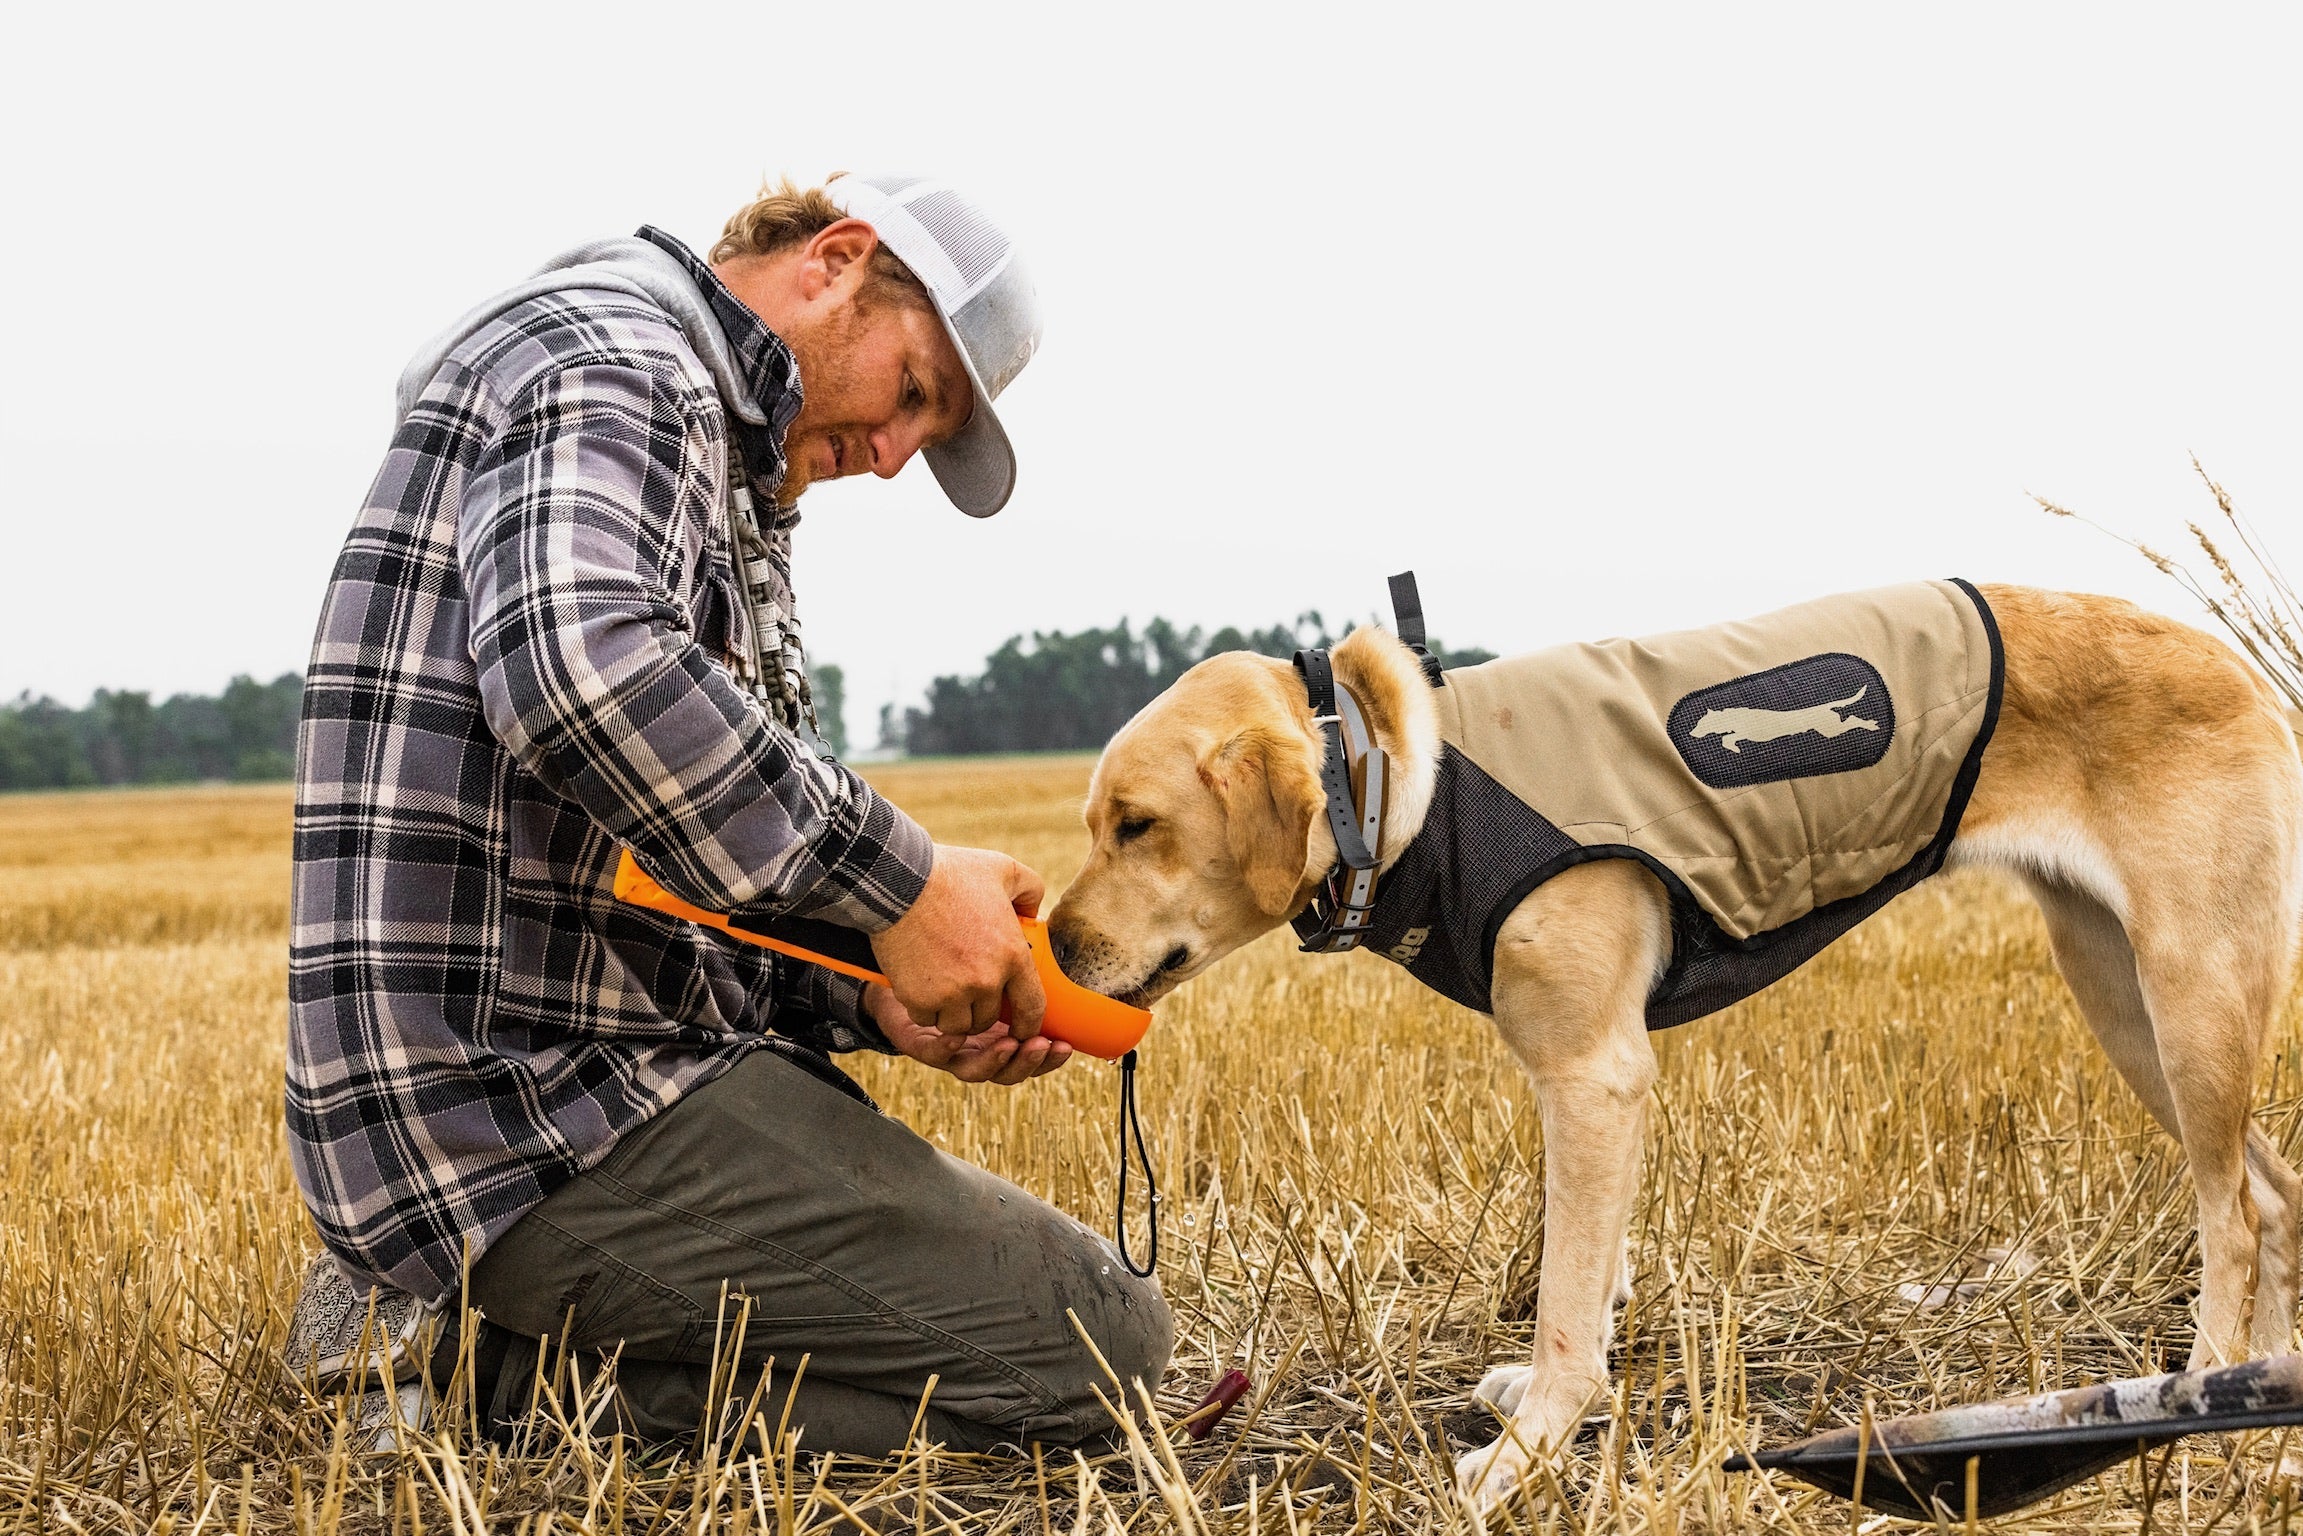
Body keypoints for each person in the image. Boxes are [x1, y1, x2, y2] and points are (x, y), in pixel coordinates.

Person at [282, 173, 1171, 1454]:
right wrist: (904, 887)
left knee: (1080, 1345)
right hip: (522, 1113)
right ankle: (486, 1373)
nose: (892, 454)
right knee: (1099, 1354)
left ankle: (487, 1332)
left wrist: (870, 988)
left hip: (575, 1076)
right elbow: (580, 671)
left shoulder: (694, 431)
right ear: (837, 262)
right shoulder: (614, 356)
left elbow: (664, 863)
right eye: (914, 392)